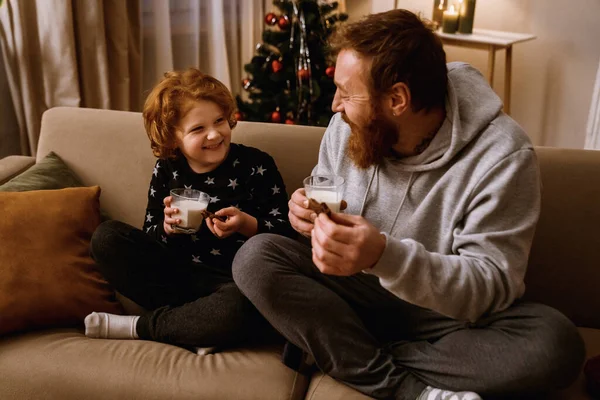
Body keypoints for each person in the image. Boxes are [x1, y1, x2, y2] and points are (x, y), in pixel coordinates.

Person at [232, 9, 585, 400]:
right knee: (255, 257)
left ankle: (345, 349)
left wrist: (385, 256)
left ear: (397, 99)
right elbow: (325, 193)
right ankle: (411, 390)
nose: (335, 105)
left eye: (347, 94)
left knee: (555, 346)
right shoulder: (346, 126)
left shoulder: (503, 155)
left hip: (442, 318)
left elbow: (491, 286)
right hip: (352, 292)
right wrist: (306, 217)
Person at [84, 68, 293, 353]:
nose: (214, 133)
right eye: (198, 129)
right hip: (177, 279)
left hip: (233, 283)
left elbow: (287, 235)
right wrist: (167, 228)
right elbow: (150, 234)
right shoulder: (167, 169)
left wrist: (246, 224)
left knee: (244, 305)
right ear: (173, 138)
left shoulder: (256, 165)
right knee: (106, 238)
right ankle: (194, 326)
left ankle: (145, 326)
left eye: (219, 120)